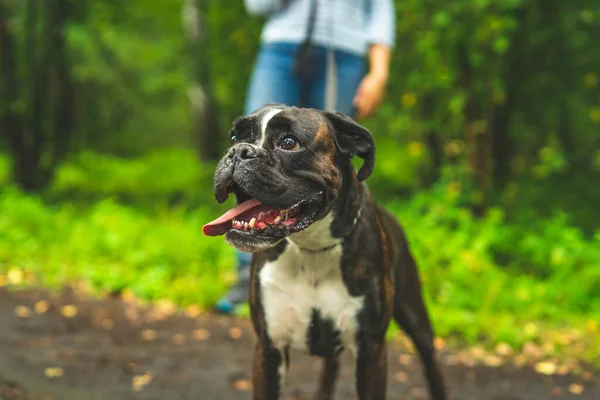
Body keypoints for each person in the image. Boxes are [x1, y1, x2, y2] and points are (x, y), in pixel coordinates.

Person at [215, 0, 395, 314]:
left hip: (344, 51)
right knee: (256, 157)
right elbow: (256, 6)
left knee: (325, 166)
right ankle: (250, 273)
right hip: (281, 45)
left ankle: (340, 276)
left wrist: (379, 73)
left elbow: (380, 9)